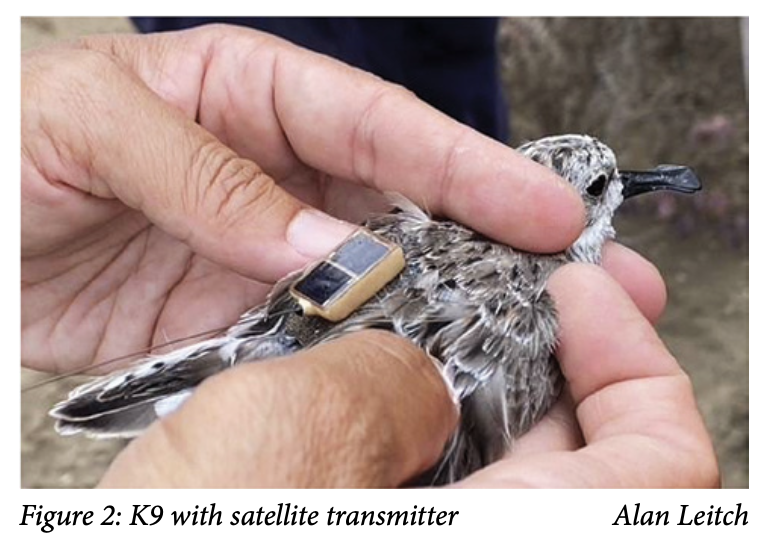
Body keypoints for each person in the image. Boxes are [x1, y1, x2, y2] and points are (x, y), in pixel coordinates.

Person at [21, 25, 718, 488]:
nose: (620, 192)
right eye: (605, 189)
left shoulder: (413, 227)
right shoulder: (547, 322)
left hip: (264, 336)